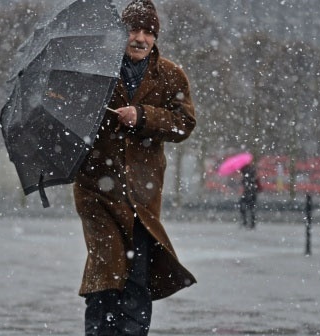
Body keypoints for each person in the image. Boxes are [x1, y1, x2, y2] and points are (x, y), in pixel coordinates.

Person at [72, 0, 197, 334]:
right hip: (96, 190)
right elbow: (71, 114)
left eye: (148, 32)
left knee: (136, 276)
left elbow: (184, 124)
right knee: (106, 271)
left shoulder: (170, 76)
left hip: (142, 196)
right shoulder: (95, 70)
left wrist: (142, 116)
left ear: (155, 38)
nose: (140, 38)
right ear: (121, 33)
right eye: (133, 30)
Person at [239, 163, 260, 229]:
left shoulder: (247, 175)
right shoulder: (253, 174)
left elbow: (245, 184)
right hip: (252, 193)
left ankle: (246, 222)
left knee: (244, 207)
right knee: (251, 209)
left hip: (248, 193)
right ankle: (252, 223)